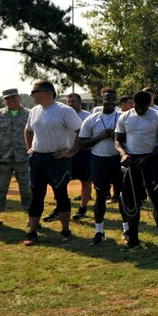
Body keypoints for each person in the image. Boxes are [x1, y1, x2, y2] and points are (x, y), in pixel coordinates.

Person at [22, 80, 84, 246]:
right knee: (36, 196)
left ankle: (65, 230)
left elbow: (81, 132)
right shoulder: (34, 110)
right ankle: (32, 232)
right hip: (37, 159)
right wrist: (30, 148)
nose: (31, 95)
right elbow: (28, 130)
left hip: (57, 159)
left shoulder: (64, 111)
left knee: (61, 194)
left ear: (44, 92)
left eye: (33, 91)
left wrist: (71, 152)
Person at [114, 90, 158, 249]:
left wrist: (147, 159)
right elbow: (117, 140)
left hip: (151, 161)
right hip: (131, 161)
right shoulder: (125, 116)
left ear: (149, 104)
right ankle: (133, 240)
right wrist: (123, 154)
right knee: (131, 201)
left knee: (157, 201)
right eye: (137, 106)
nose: (140, 110)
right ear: (133, 103)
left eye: (143, 107)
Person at [75, 88, 123, 246]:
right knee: (100, 196)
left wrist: (116, 136)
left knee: (123, 196)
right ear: (101, 100)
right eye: (107, 99)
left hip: (117, 160)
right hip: (98, 160)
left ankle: (127, 229)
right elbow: (81, 143)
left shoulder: (122, 117)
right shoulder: (92, 119)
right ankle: (99, 231)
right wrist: (100, 137)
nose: (110, 102)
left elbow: (130, 138)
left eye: (113, 100)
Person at [0, 88, 32, 234]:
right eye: (8, 99)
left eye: (13, 98)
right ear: (4, 100)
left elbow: (36, 134)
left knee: (28, 190)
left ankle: (33, 219)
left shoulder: (29, 114)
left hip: (24, 159)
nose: (11, 101)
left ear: (19, 98)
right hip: (1, 160)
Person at [63, 92, 93, 221]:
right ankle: (60, 207)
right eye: (68, 102)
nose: (70, 104)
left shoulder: (88, 117)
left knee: (85, 182)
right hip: (65, 152)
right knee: (61, 182)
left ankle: (83, 208)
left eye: (73, 101)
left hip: (83, 154)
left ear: (80, 102)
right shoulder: (63, 115)